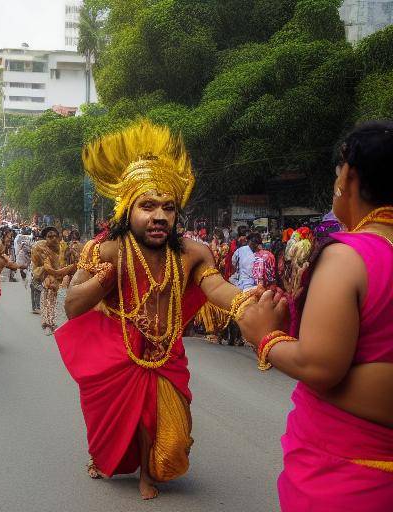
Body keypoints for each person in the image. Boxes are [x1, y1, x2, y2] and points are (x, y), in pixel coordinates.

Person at [55, 120, 256, 500]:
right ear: (127, 209)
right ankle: (133, 468)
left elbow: (215, 286)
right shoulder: (105, 250)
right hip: (119, 352)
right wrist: (103, 279)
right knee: (115, 426)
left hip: (167, 353)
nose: (159, 216)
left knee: (174, 447)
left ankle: (152, 467)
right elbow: (71, 306)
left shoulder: (193, 253)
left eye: (168, 207)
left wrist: (248, 301)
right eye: (147, 206)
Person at [239, 121, 393, 511]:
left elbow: (321, 365)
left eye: (337, 172)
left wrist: (265, 337)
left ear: (350, 176)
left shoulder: (348, 256)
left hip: (350, 473)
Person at [31, 227, 76, 335]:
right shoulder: (43, 251)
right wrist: (68, 269)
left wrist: (71, 257)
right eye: (50, 237)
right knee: (49, 299)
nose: (53, 238)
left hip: (58, 279)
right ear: (45, 238)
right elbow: (49, 269)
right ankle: (48, 323)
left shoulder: (63, 247)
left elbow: (68, 261)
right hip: (47, 277)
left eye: (55, 236)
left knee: (53, 300)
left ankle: (49, 322)